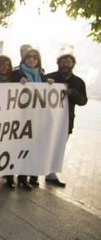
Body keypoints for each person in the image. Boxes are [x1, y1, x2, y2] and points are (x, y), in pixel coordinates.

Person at [10, 48, 54, 190]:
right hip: (22, 118)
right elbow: (8, 91)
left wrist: (50, 84)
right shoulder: (17, 73)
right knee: (23, 148)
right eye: (29, 57)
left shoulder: (41, 74)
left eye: (35, 57)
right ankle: (21, 177)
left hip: (38, 118)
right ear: (24, 58)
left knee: (35, 148)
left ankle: (32, 175)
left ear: (38, 60)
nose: (32, 60)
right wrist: (18, 84)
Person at [45, 54, 87, 187]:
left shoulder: (78, 82)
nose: (65, 64)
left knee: (58, 147)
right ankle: (34, 173)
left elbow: (83, 101)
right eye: (63, 62)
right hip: (47, 119)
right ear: (59, 63)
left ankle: (51, 174)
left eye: (68, 62)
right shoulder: (49, 78)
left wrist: (72, 93)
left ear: (72, 64)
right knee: (42, 145)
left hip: (66, 121)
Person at [0, 55, 15, 188]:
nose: (5, 67)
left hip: (9, 118)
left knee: (8, 148)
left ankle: (9, 175)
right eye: (2, 64)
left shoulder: (14, 78)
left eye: (7, 64)